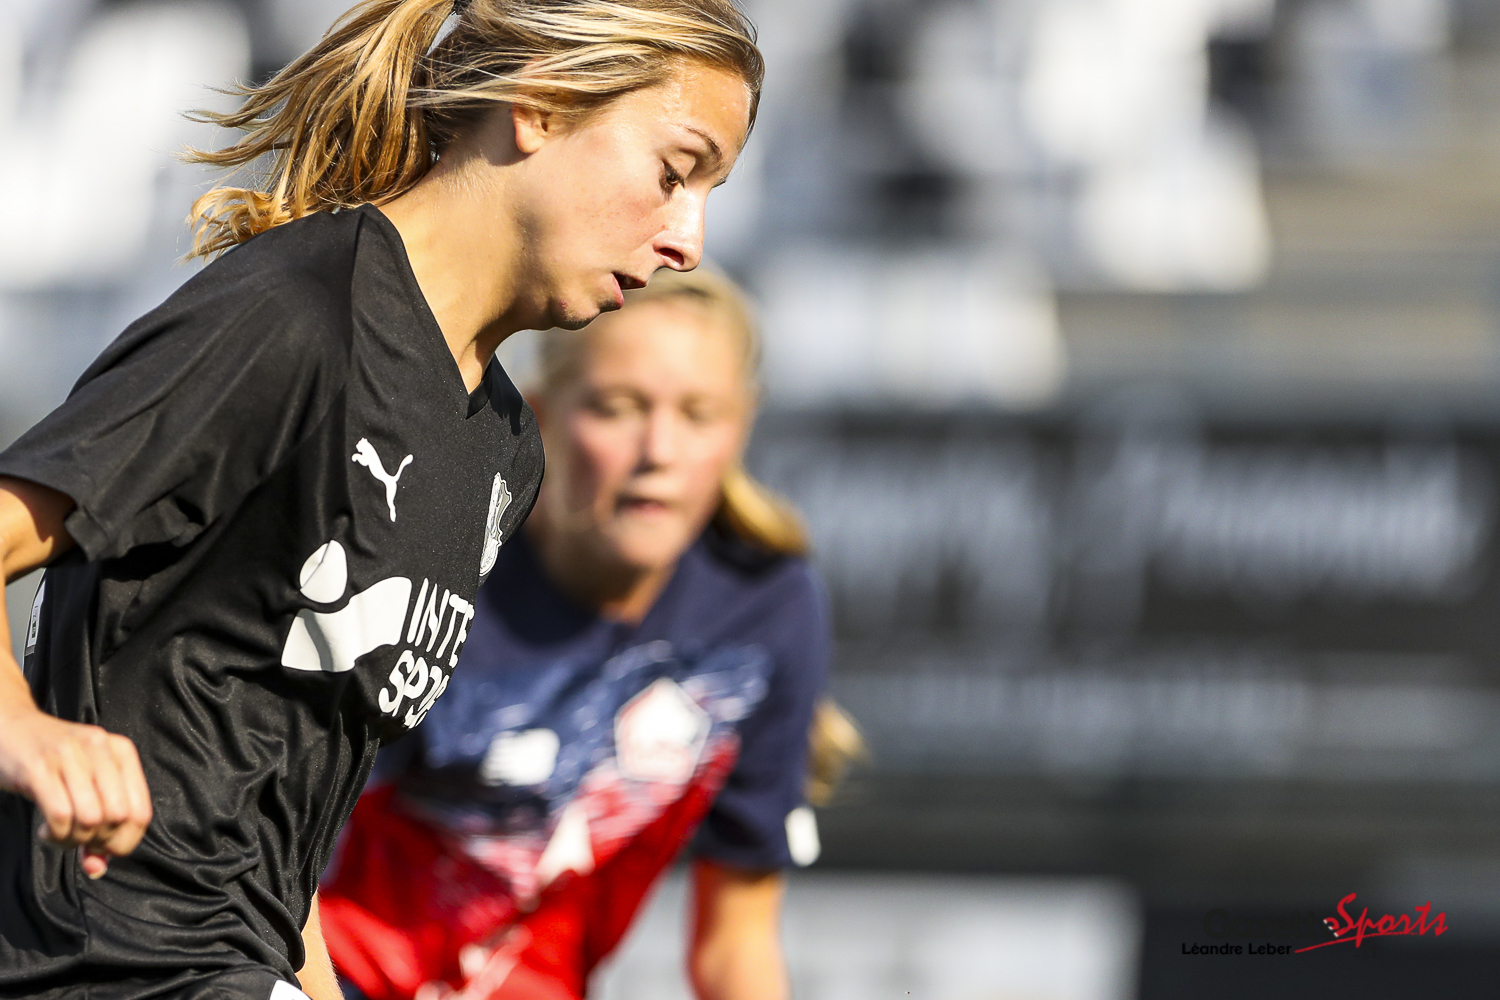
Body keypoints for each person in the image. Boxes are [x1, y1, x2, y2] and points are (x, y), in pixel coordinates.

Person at [0, 0, 762, 997]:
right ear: (539, 103)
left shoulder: (500, 451)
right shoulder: (296, 316)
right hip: (93, 962)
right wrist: (25, 730)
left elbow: (277, 836)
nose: (688, 240)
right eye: (674, 172)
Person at [317, 268, 860, 1000]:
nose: (659, 450)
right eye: (617, 408)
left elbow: (736, 943)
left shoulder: (769, 607)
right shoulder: (435, 569)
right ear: (542, 414)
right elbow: (279, 873)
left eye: (699, 415)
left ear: (743, 427)